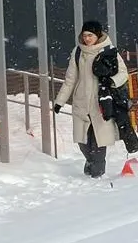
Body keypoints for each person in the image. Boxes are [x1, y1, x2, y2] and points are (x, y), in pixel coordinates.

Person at [53, 20, 130, 177]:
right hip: (81, 102)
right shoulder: (78, 52)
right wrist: (59, 101)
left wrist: (111, 81)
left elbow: (123, 73)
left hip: (101, 102)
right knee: (83, 142)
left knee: (98, 141)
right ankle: (91, 162)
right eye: (85, 35)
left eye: (90, 35)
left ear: (98, 35)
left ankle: (97, 174)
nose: (87, 38)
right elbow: (70, 79)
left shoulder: (109, 51)